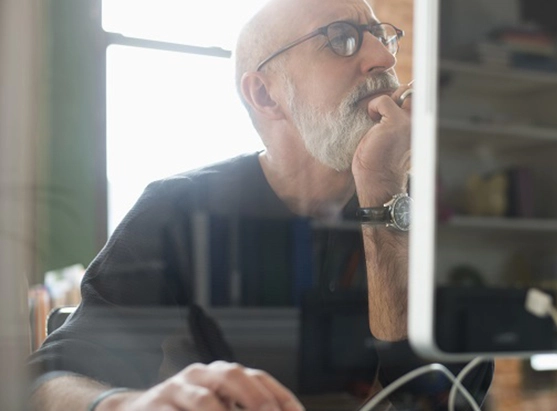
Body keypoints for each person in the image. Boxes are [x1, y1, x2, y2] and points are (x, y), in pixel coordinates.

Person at [28, 0, 492, 410]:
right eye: (342, 39)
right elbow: (43, 383)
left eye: (380, 35)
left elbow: (442, 397)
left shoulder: (424, 213)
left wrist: (380, 190)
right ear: (265, 94)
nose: (384, 57)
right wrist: (126, 405)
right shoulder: (175, 210)